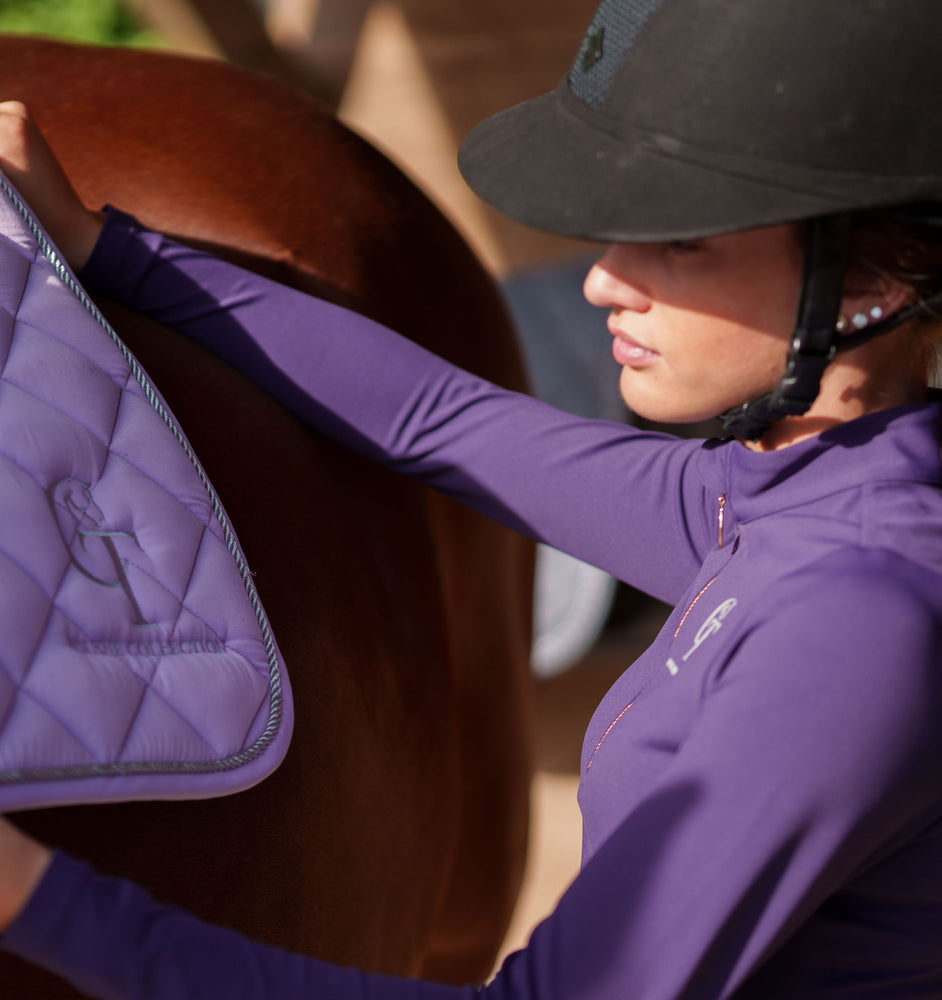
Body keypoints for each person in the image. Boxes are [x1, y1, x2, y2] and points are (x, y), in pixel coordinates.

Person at [2, 0, 942, 996]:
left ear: (863, 283)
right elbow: (438, 419)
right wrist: (101, 244)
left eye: (681, 245)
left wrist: (35, 899)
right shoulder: (787, 492)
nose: (601, 285)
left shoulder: (855, 617)